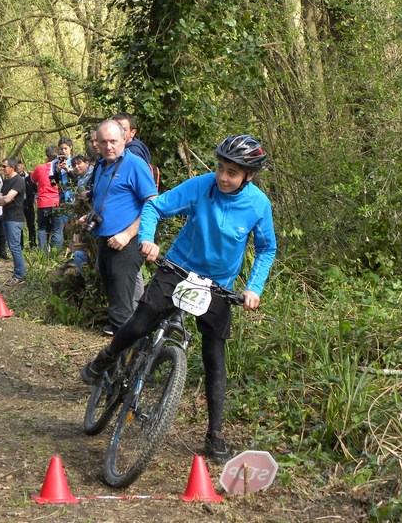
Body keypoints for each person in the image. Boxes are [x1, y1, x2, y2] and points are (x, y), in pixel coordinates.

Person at [81, 134, 277, 463]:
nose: (223, 178)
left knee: (215, 356)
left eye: (232, 173)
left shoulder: (258, 205)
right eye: (221, 169)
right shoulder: (201, 186)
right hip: (179, 268)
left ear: (249, 176)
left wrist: (254, 287)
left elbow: (267, 248)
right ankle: (107, 357)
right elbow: (155, 206)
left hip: (217, 285)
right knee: (142, 321)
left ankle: (215, 434)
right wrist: (147, 239)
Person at [83, 119, 157, 336]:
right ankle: (130, 349)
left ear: (124, 139)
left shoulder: (135, 165)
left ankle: (124, 361)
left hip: (127, 242)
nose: (108, 146)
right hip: (105, 240)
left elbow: (152, 204)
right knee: (117, 298)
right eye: (103, 142)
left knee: (121, 309)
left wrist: (127, 234)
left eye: (113, 141)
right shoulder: (102, 165)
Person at [0, 157, 26, 285]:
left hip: (15, 218)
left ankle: (19, 275)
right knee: (12, 246)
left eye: (4, 166)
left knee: (14, 247)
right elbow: (1, 196)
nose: (2, 168)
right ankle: (17, 272)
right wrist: (0, 200)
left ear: (11, 168)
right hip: (6, 217)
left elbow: (7, 199)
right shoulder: (7, 181)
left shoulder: (18, 180)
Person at [30, 146, 63, 251]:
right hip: (56, 202)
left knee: (42, 229)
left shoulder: (40, 168)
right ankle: (55, 254)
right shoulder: (60, 168)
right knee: (57, 230)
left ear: (47, 156)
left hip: (43, 202)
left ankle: (43, 254)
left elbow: (32, 179)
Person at [15, 160, 37, 248]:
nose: (18, 167)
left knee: (31, 224)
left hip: (29, 204)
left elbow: (36, 190)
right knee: (19, 225)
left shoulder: (30, 177)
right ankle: (20, 245)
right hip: (18, 204)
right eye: (16, 165)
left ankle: (33, 243)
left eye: (19, 165)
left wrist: (34, 199)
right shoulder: (13, 178)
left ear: (22, 166)